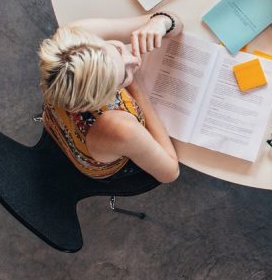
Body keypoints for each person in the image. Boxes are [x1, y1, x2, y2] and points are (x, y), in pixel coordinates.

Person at [38, 13, 182, 183]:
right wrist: (137, 86)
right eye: (124, 77)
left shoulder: (75, 36)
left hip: (58, 121)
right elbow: (170, 172)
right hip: (100, 162)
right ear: (104, 99)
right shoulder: (120, 127)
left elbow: (175, 22)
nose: (134, 60)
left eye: (118, 49)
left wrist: (161, 22)